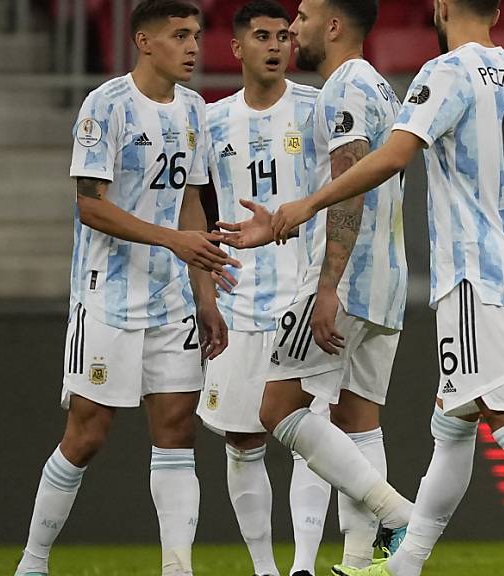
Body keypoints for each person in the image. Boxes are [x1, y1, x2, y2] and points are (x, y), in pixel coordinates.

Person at [220, 1, 504, 574]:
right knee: (451, 423)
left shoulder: (444, 72)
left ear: (444, 6)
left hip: (470, 272)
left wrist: (305, 205)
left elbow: (393, 155)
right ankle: (404, 561)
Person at [15, 2, 235, 575]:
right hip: (107, 297)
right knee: (87, 435)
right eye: (179, 35)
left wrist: (205, 298)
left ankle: (177, 568)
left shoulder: (194, 110)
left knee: (177, 431)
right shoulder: (105, 105)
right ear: (143, 40)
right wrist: (173, 241)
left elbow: (191, 201)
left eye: (196, 34)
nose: (192, 46)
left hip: (171, 302)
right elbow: (91, 206)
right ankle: (33, 562)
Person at [195, 2, 331, 575]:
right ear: (237, 48)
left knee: (307, 435)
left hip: (300, 294)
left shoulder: (317, 109)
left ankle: (301, 564)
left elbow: (344, 195)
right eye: (262, 36)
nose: (277, 45)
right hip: (238, 297)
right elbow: (194, 212)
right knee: (240, 440)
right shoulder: (211, 120)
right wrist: (204, 292)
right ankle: (263, 568)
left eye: (283, 35)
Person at [288, 0, 410, 568]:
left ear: (333, 26)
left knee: (277, 408)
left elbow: (350, 180)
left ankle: (402, 515)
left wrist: (328, 283)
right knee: (358, 422)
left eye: (304, 14)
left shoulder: (343, 88)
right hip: (388, 281)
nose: (294, 26)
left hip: (350, 278)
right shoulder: (381, 87)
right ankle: (360, 563)